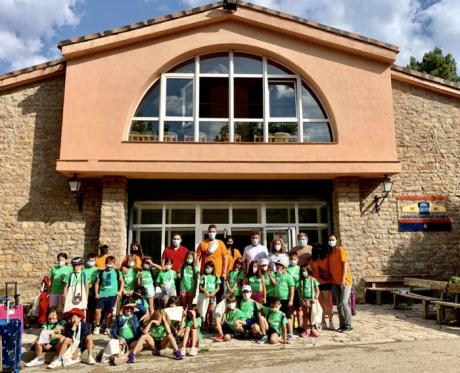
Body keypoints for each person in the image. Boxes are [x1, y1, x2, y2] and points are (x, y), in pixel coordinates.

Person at [101, 301, 142, 365]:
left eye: (131, 308)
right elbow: (114, 331)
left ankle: (125, 356)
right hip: (123, 340)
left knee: (140, 346)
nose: (129, 310)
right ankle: (118, 358)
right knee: (118, 348)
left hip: (133, 340)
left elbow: (144, 310)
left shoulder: (136, 316)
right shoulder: (120, 318)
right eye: (127, 308)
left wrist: (134, 304)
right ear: (124, 309)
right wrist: (119, 338)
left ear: (133, 309)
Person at [93, 256, 124, 335]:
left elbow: (122, 282)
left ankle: (107, 327)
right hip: (102, 294)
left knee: (109, 312)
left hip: (112, 295)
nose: (109, 266)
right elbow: (97, 283)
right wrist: (96, 293)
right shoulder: (101, 272)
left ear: (114, 264)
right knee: (97, 310)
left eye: (111, 264)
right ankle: (97, 326)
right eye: (108, 264)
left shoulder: (117, 271)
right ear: (105, 263)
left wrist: (120, 291)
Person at [328, 234, 353, 332]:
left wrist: (342, 280)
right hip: (335, 282)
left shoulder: (341, 250)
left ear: (337, 240)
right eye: (329, 240)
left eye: (333, 239)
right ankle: (342, 324)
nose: (331, 241)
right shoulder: (331, 253)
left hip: (345, 281)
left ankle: (348, 325)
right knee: (338, 304)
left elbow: (345, 265)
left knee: (344, 302)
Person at [309, 243, 334, 330]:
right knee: (320, 303)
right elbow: (311, 271)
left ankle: (330, 321)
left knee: (327, 302)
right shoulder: (312, 259)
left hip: (326, 282)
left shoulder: (326, 257)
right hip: (316, 283)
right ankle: (323, 321)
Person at [273, 256, 295, 339]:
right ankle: (281, 331)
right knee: (279, 316)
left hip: (286, 299)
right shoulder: (278, 276)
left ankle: (291, 332)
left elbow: (292, 289)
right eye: (276, 265)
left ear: (283, 267)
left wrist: (291, 300)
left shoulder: (288, 276)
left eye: (278, 265)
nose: (277, 267)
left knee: (288, 316)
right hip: (278, 300)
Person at [198, 261, 221, 333]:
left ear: (212, 268)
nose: (207, 269)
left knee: (211, 311)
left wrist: (214, 292)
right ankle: (204, 325)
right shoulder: (203, 276)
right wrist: (205, 291)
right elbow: (200, 287)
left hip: (212, 295)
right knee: (204, 310)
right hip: (205, 295)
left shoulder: (215, 276)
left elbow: (218, 287)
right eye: (206, 268)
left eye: (209, 268)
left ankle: (210, 326)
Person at [298, 265, 320, 337]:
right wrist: (301, 298)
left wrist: (316, 298)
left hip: (312, 300)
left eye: (305, 271)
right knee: (305, 315)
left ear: (308, 271)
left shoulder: (313, 280)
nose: (304, 272)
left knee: (311, 315)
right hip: (304, 300)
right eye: (302, 271)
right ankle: (306, 330)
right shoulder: (301, 281)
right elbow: (299, 290)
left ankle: (312, 329)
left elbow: (317, 290)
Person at [287, 252, 303, 333]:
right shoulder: (286, 268)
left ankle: (300, 326)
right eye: (291, 259)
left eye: (294, 259)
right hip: (289, 292)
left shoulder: (300, 269)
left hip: (298, 291)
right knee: (292, 310)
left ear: (297, 259)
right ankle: (292, 326)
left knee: (299, 310)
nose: (292, 260)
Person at [83, 254, 99, 326]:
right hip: (86, 293)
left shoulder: (98, 270)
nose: (91, 262)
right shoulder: (84, 270)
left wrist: (93, 285)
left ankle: (94, 324)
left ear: (95, 260)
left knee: (95, 310)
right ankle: (88, 324)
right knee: (88, 310)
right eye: (89, 260)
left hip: (95, 293)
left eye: (92, 260)